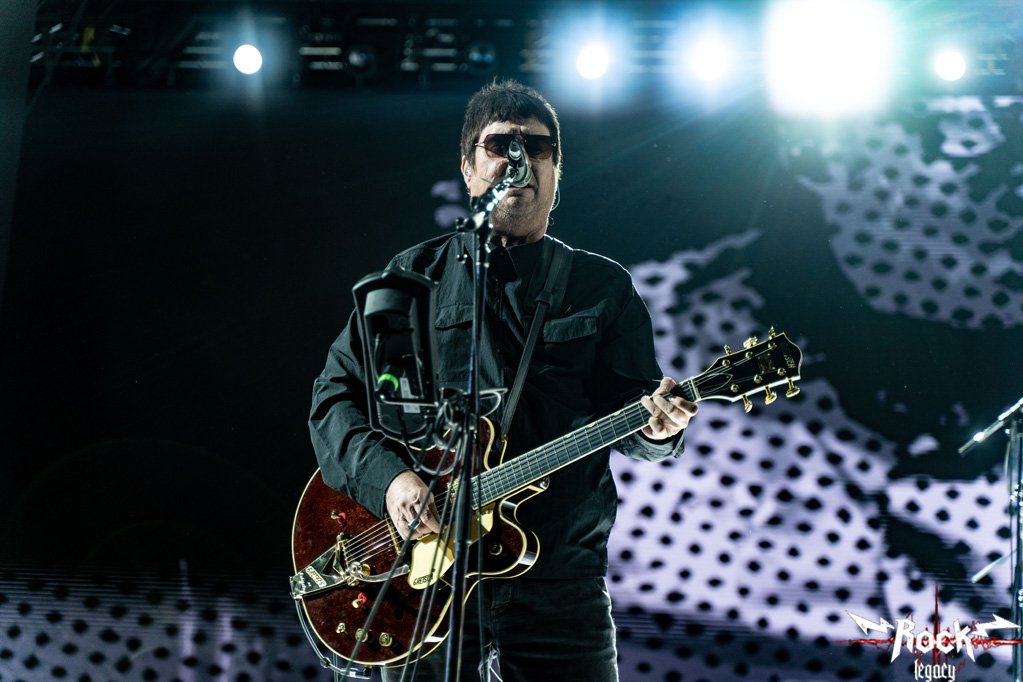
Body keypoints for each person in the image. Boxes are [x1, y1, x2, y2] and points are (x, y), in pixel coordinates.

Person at [309, 79, 698, 682]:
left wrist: (659, 429)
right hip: (424, 576)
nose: (521, 158)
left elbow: (634, 418)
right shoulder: (413, 278)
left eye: (537, 147)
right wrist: (390, 482)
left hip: (559, 580)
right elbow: (336, 399)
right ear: (469, 169)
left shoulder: (601, 288)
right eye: (500, 145)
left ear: (556, 173)